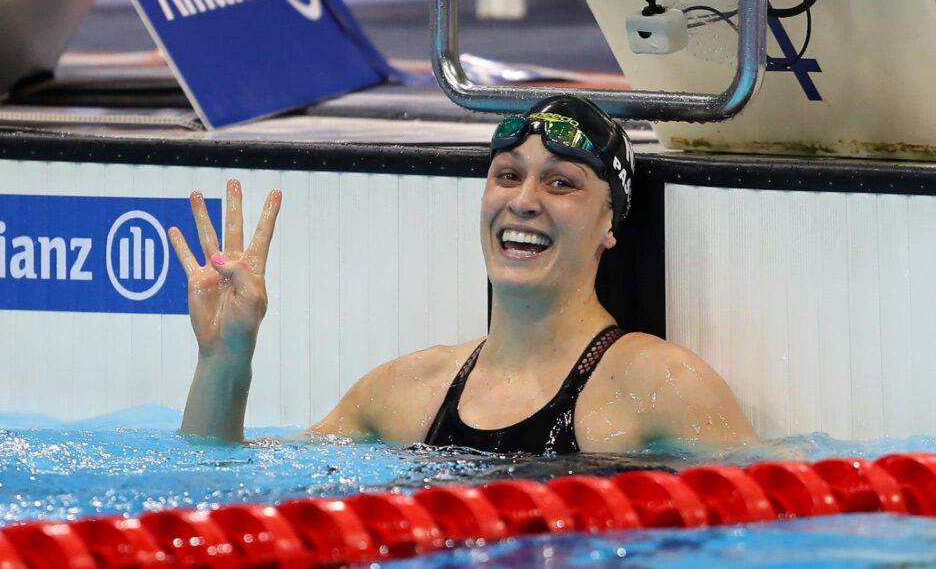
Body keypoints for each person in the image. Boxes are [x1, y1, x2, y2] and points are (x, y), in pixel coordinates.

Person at [169, 95, 757, 454]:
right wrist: (225, 360)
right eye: (507, 175)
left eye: (561, 182)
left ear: (610, 223)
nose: (524, 201)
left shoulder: (661, 387)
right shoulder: (405, 393)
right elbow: (222, 486)